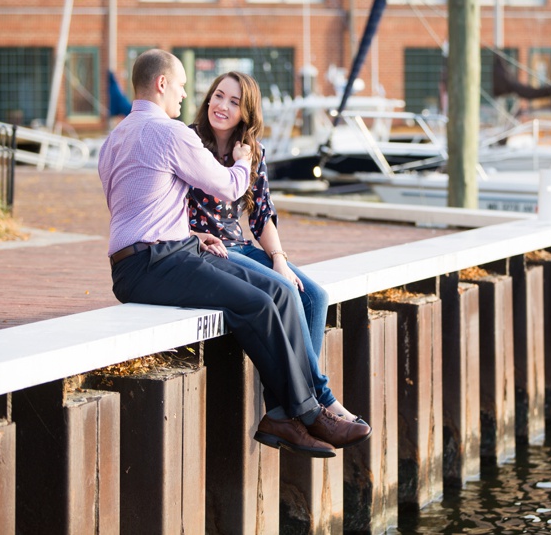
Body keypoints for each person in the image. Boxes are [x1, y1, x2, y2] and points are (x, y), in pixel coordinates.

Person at [97, 49, 370, 458]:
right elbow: (226, 187)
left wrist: (188, 234)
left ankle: (284, 413)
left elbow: (132, 205)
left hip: (160, 254)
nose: (186, 94)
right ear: (162, 84)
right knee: (258, 304)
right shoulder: (173, 132)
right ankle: (305, 413)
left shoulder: (113, 138)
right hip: (152, 263)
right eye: (183, 85)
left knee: (279, 292)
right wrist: (243, 164)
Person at [186, 71, 360, 423]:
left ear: (246, 112)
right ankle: (318, 401)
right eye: (218, 96)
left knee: (314, 296)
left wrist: (279, 260)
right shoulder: (189, 142)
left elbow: (261, 214)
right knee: (287, 294)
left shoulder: (252, 152)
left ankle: (295, 404)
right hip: (209, 250)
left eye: (234, 102)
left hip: (241, 245)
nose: (221, 106)